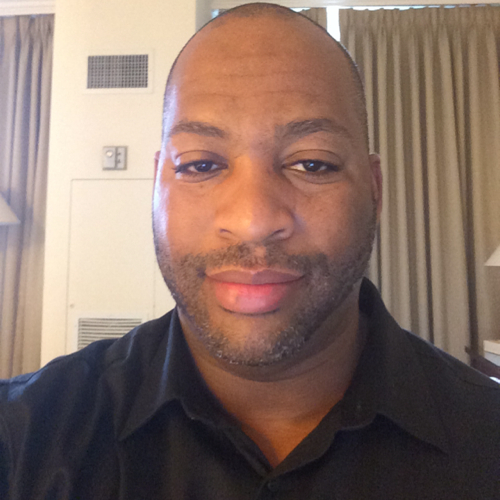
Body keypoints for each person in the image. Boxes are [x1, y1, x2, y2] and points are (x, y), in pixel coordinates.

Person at [1, 3, 499, 499]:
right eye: (200, 165)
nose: (253, 221)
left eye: (312, 164)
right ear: (157, 185)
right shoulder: (21, 440)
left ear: (374, 190)